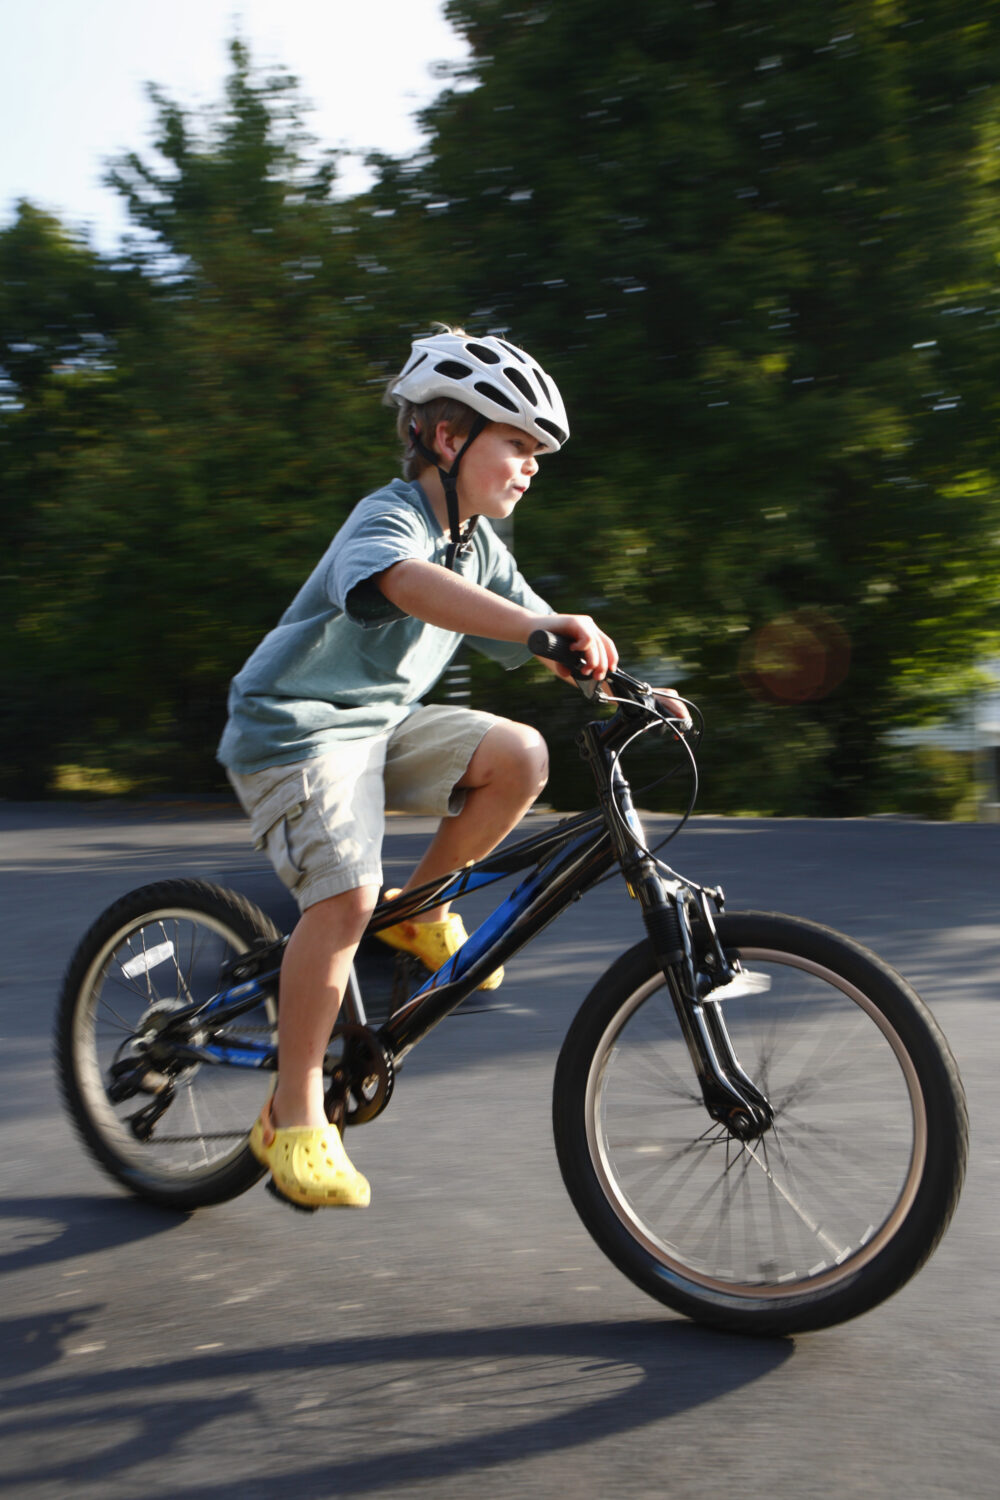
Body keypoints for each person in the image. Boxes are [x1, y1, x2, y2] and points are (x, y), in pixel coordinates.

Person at [218, 326, 618, 1211]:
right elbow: (401, 583)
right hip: (295, 734)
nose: (531, 464)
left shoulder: (479, 548)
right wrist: (532, 630)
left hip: (379, 729)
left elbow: (544, 627)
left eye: (536, 451)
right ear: (448, 439)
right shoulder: (392, 516)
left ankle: (416, 910)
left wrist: (632, 685)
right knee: (342, 900)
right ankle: (291, 1119)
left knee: (522, 754)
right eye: (515, 442)